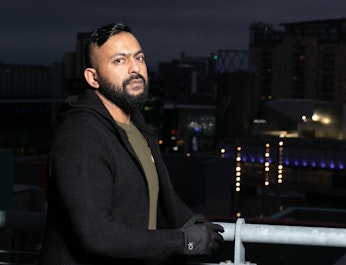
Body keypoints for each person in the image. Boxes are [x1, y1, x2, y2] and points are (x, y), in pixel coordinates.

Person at [39, 23, 224, 265]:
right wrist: (184, 241)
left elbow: (154, 188)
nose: (135, 68)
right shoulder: (80, 137)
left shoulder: (136, 124)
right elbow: (96, 235)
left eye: (139, 57)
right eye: (119, 61)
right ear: (93, 78)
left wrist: (192, 221)